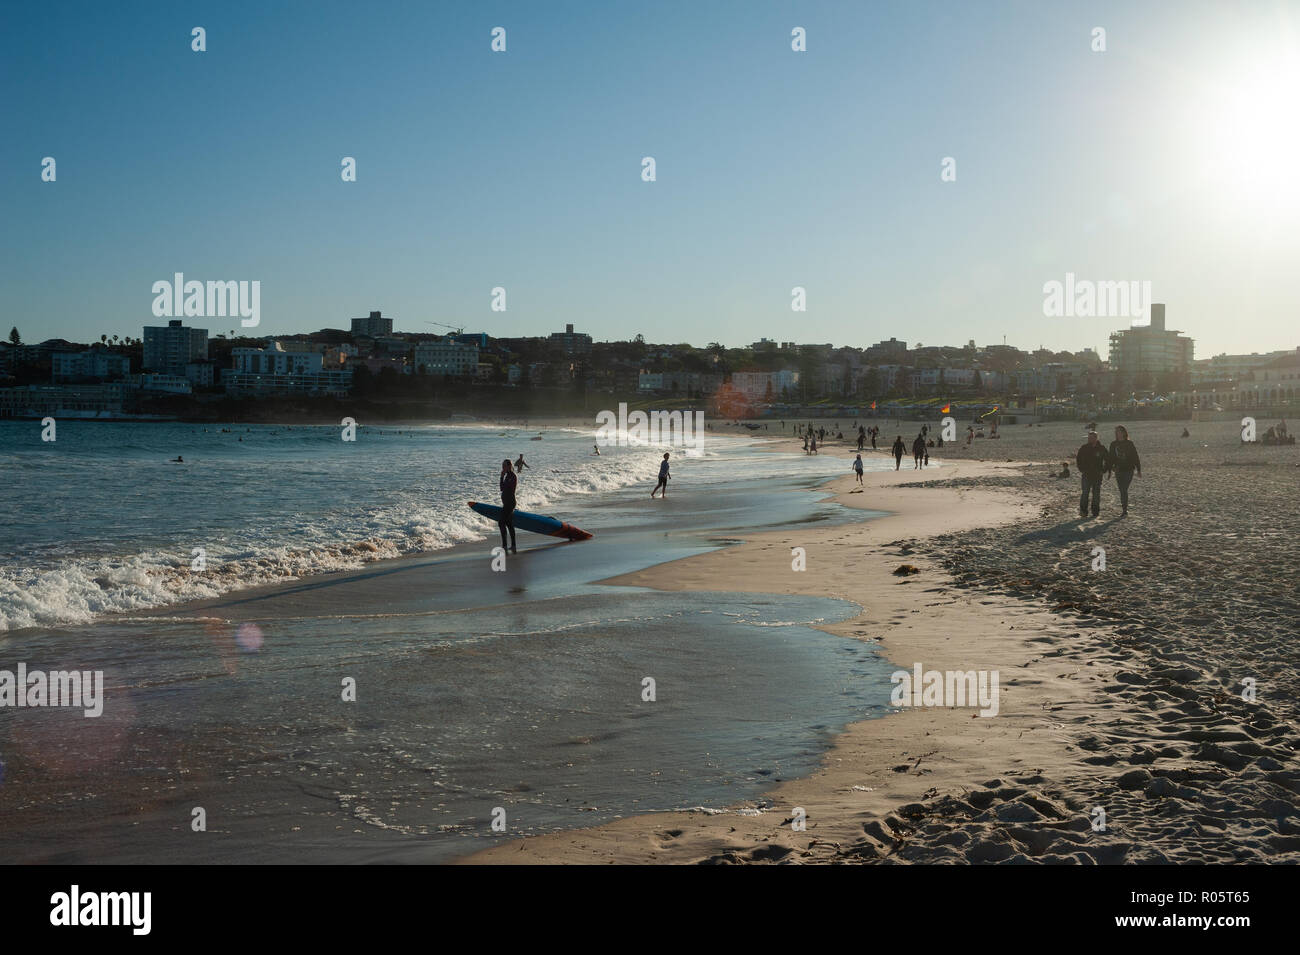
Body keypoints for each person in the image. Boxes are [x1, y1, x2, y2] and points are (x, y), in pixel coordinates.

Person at [1075, 431, 1111, 519]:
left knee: (1096, 494)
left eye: (1091, 438)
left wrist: (1104, 470)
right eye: (1088, 438)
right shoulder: (1084, 448)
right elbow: (1078, 459)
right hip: (1086, 474)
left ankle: (1095, 512)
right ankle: (1083, 511)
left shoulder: (1101, 448)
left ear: (1096, 438)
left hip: (1097, 475)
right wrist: (1081, 469)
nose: (1089, 439)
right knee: (1085, 493)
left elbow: (1108, 459)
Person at [1108, 425, 1141, 516]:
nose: (1117, 433)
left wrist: (1139, 469)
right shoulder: (1113, 444)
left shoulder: (1129, 443)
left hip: (1129, 469)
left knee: (1123, 489)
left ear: (1123, 432)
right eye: (1116, 432)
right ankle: (1124, 508)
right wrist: (1110, 469)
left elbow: (1135, 456)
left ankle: (1124, 509)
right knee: (1122, 489)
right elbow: (1110, 457)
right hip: (1118, 470)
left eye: (1119, 431)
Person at [498, 458, 518, 553]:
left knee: (501, 522)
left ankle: (505, 545)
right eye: (502, 466)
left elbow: (508, 489)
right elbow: (501, 488)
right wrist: (501, 477)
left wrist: (504, 477)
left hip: (510, 503)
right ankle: (513, 545)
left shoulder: (513, 476)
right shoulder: (506, 476)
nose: (503, 468)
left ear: (509, 466)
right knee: (509, 523)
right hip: (506, 503)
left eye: (504, 466)